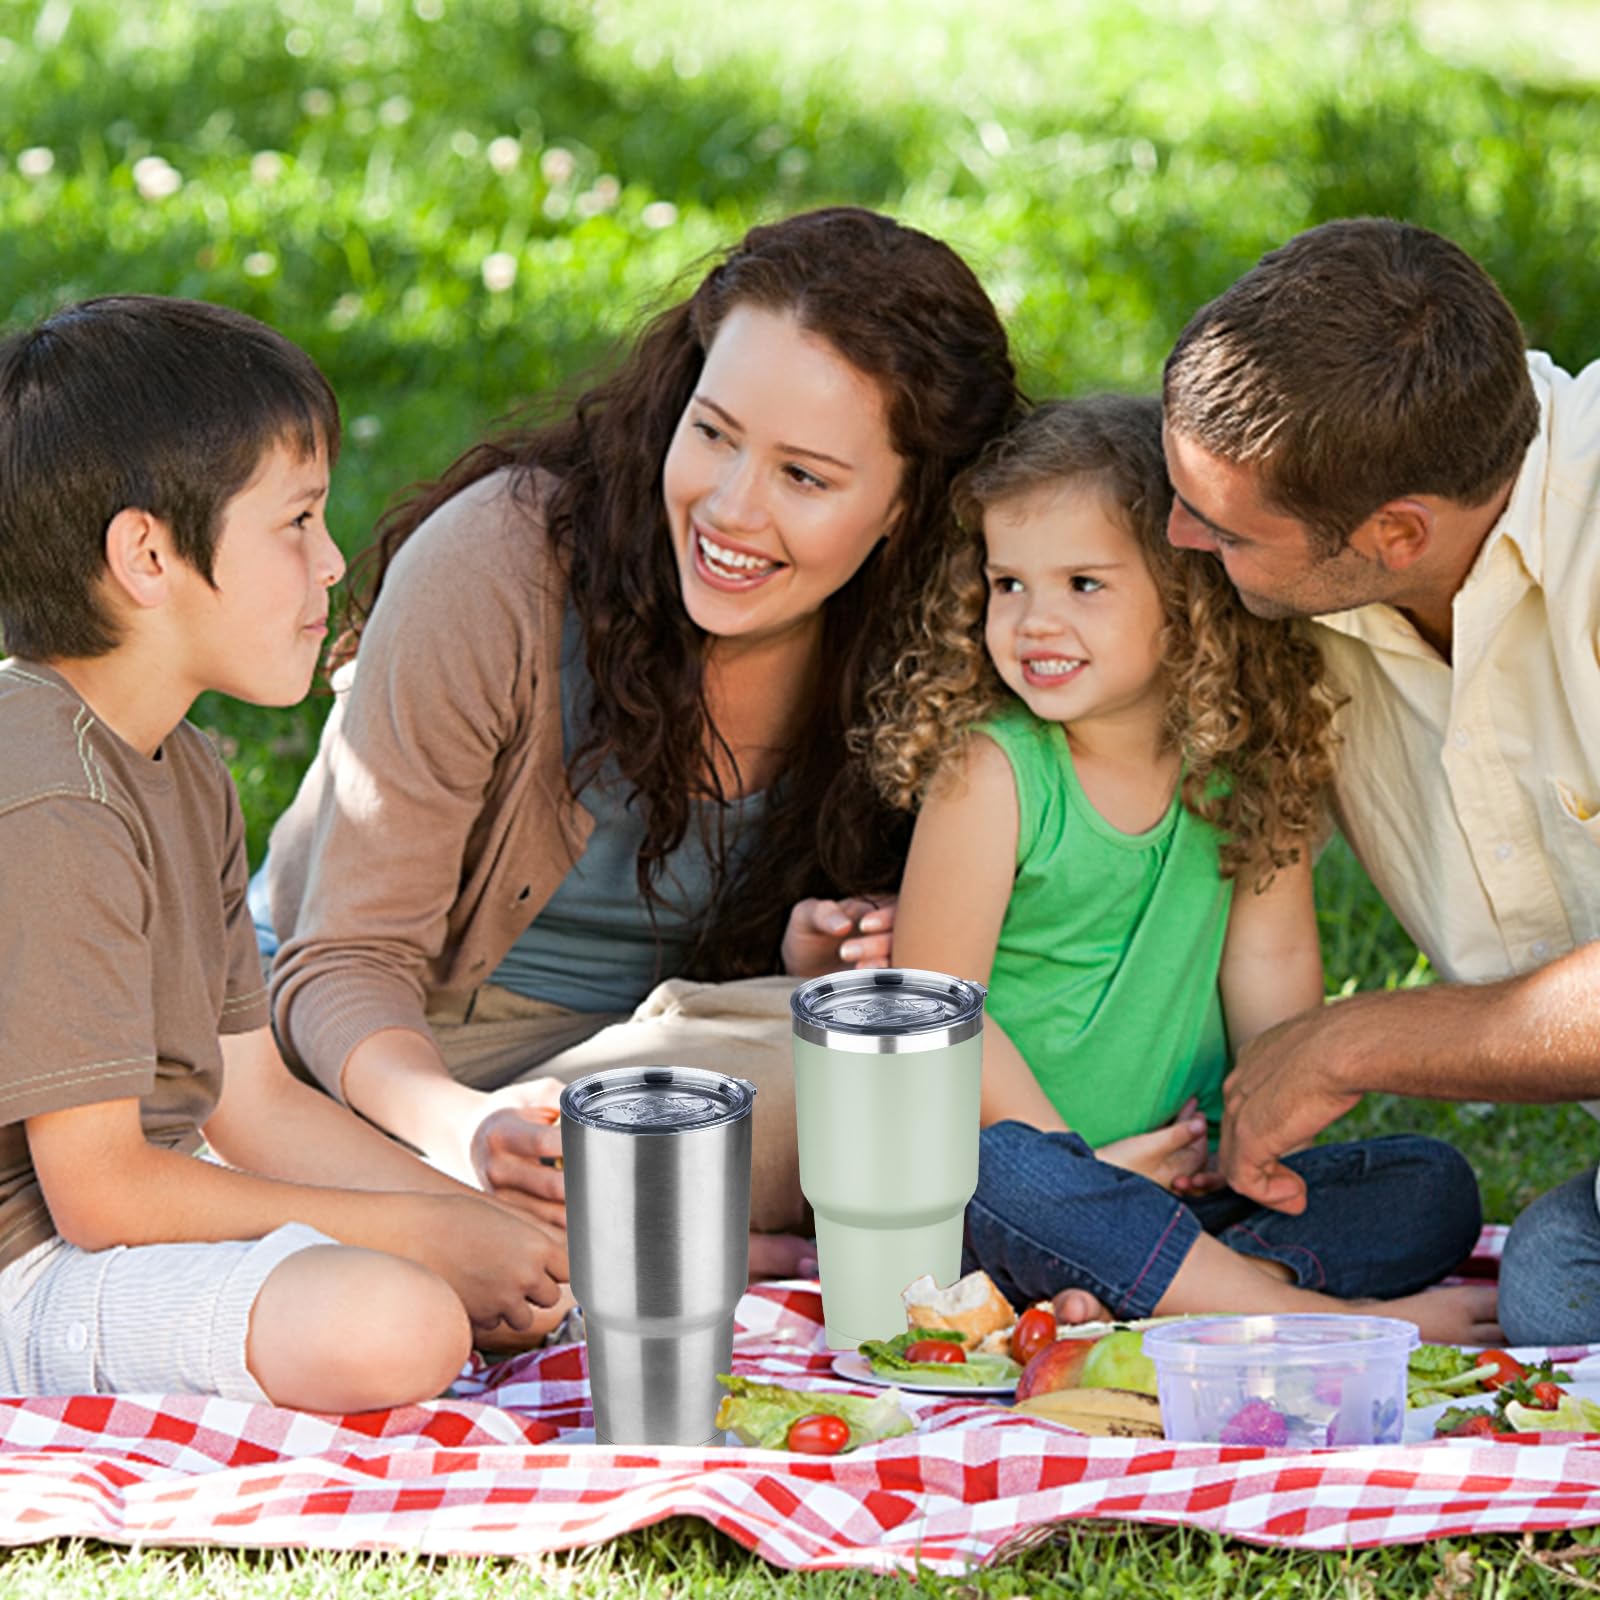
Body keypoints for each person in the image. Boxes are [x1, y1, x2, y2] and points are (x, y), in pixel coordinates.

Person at [261, 207, 1023, 1311]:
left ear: (908, 506)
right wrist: (465, 1130)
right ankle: (493, 1210)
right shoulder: (498, 566)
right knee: (868, 1130)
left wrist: (846, 941)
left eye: (803, 477)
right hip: (386, 1054)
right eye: (712, 432)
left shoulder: (953, 643)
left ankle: (563, 1225)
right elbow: (338, 963)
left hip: (651, 1071)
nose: (727, 507)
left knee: (899, 1065)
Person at [0, 296, 569, 1410]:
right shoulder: (48, 795)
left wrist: (470, 1221)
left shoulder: (185, 764)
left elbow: (251, 1099)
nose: (333, 561)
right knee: (398, 1319)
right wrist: (420, 1235)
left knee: (467, 1266)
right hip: (27, 1264)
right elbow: (101, 1194)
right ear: (148, 554)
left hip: (144, 1209)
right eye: (296, 523)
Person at [869, 394, 1496, 1342]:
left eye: (1083, 584)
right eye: (1008, 584)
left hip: (1188, 1187)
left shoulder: (1246, 763)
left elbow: (1268, 969)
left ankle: (1187, 1290)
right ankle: (1315, 1319)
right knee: (1011, 1178)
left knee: (1430, 1186)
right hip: (1020, 1188)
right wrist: (1087, 1166)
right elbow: (938, 1016)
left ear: (1187, 597)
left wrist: (1265, 1142)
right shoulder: (991, 770)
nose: (1034, 620)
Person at [1161, 216, 1600, 1345]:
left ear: (1397, 530)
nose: (1176, 535)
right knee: (1552, 1289)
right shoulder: (1305, 594)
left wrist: (1348, 1041)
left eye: (1220, 528)